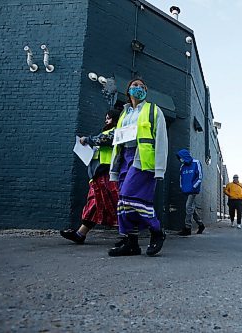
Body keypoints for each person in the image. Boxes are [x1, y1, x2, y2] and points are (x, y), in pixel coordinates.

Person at [107, 78, 168, 257]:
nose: (139, 88)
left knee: (129, 197)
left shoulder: (154, 111)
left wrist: (159, 168)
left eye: (143, 87)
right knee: (122, 203)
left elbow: (161, 140)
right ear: (128, 90)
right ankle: (131, 243)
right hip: (125, 158)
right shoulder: (124, 113)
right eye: (135, 85)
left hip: (142, 159)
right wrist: (114, 168)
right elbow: (118, 140)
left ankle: (156, 230)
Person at [60, 108, 121, 244]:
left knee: (116, 202)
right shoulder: (105, 133)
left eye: (109, 118)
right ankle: (80, 234)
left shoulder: (117, 131)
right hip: (99, 175)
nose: (106, 120)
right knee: (94, 203)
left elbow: (106, 139)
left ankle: (132, 233)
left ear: (116, 120)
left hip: (108, 174)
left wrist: (88, 140)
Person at [176, 149, 205, 236]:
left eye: (181, 158)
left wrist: (194, 186)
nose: (180, 160)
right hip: (185, 190)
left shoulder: (196, 163)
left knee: (188, 207)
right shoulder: (182, 166)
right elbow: (181, 178)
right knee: (191, 209)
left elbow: (199, 176)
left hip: (193, 190)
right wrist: (182, 187)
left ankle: (187, 228)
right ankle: (201, 225)